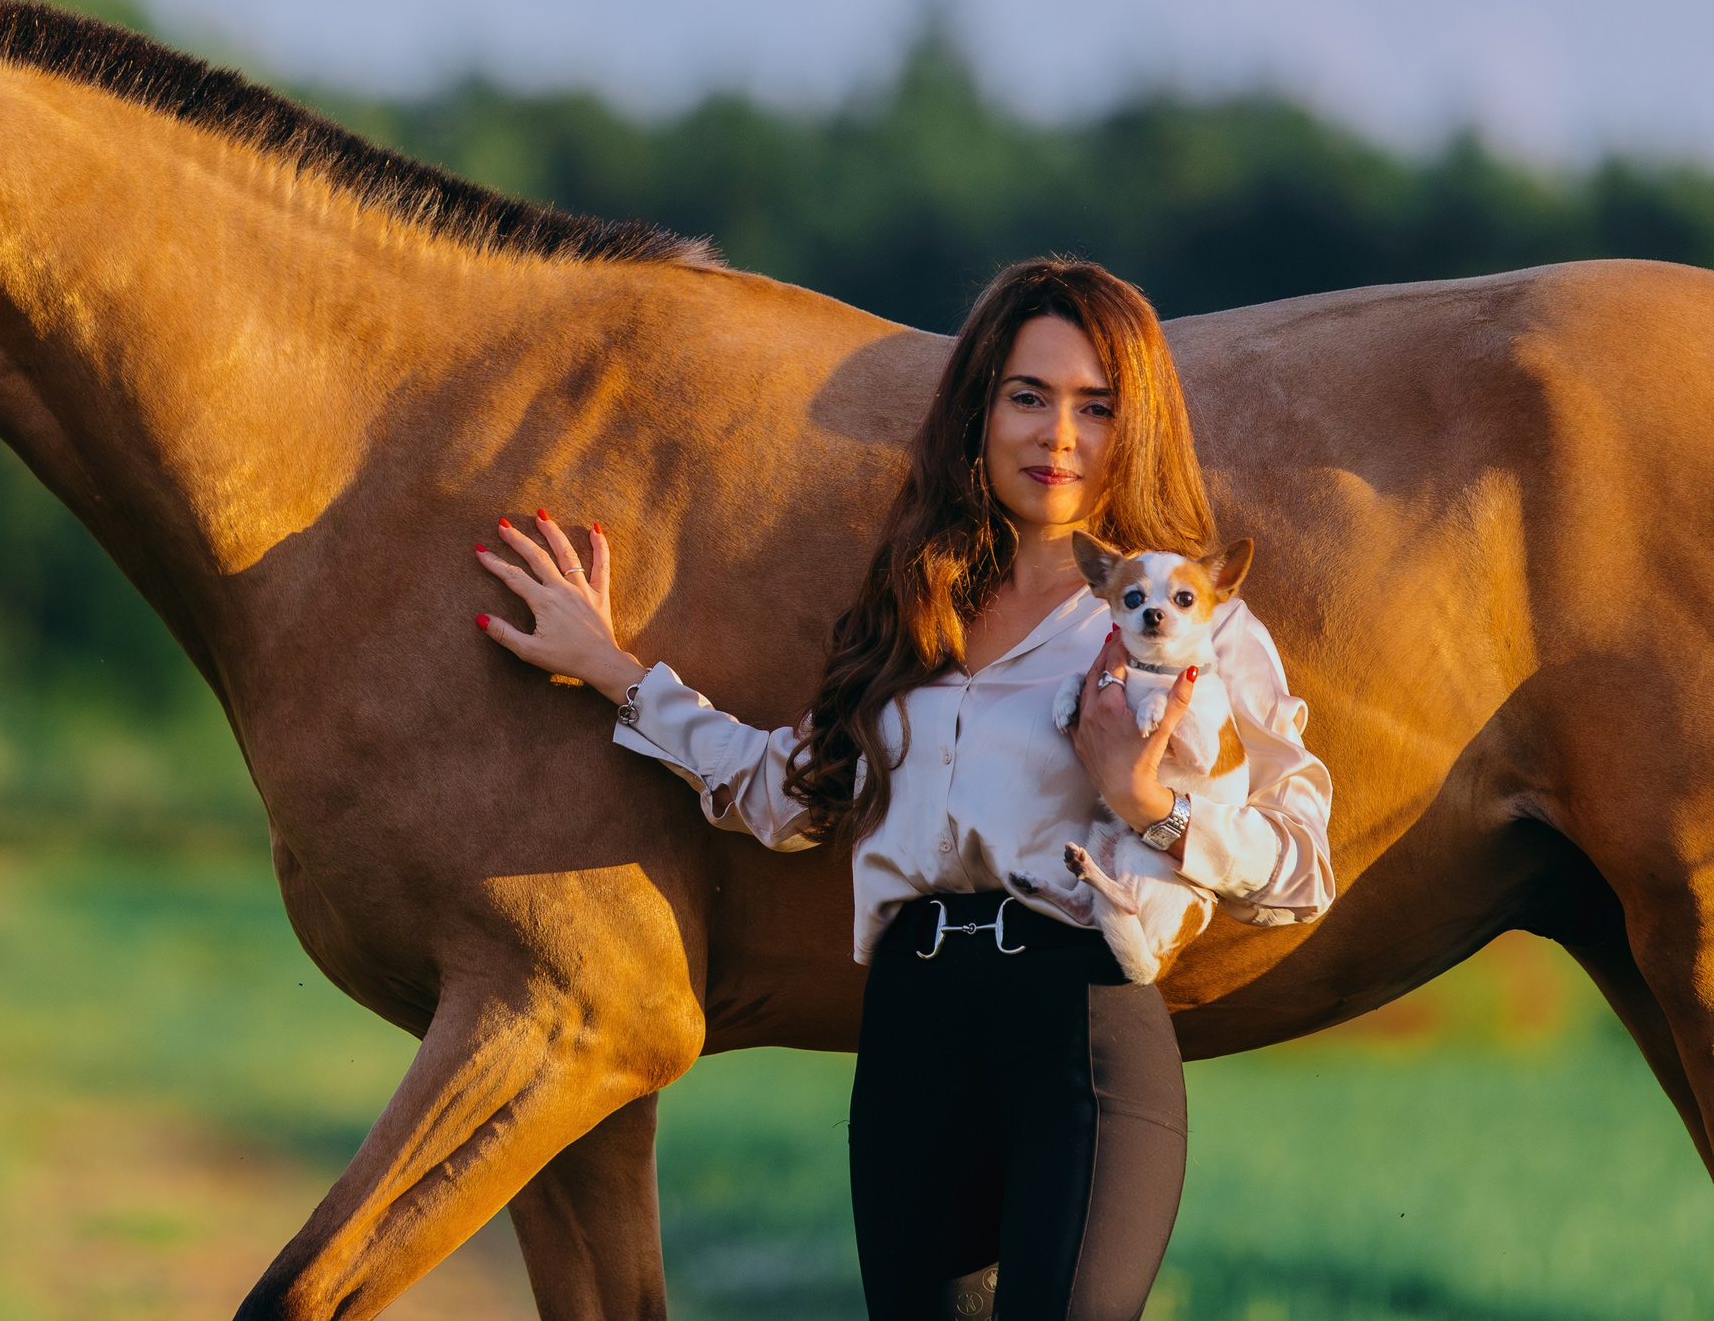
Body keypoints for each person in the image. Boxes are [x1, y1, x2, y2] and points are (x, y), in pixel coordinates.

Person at [473, 257, 1335, 1320]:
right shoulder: (909, 612)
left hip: (1080, 1030)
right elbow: (788, 802)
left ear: (1132, 427)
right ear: (979, 412)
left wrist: (1152, 802)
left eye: (1093, 407)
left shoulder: (1198, 630)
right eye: (1027, 397)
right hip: (909, 1041)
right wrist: (613, 670)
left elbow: (1301, 870)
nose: (1056, 437)